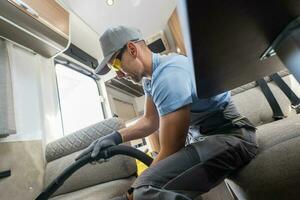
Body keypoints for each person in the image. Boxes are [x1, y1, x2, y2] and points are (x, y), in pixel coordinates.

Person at [76, 26, 258, 200]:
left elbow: (172, 148)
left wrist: (132, 192)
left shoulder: (168, 76)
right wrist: (114, 137)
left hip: (233, 137)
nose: (119, 74)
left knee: (145, 191)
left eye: (116, 64)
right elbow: (149, 121)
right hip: (206, 138)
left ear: (132, 49)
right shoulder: (151, 79)